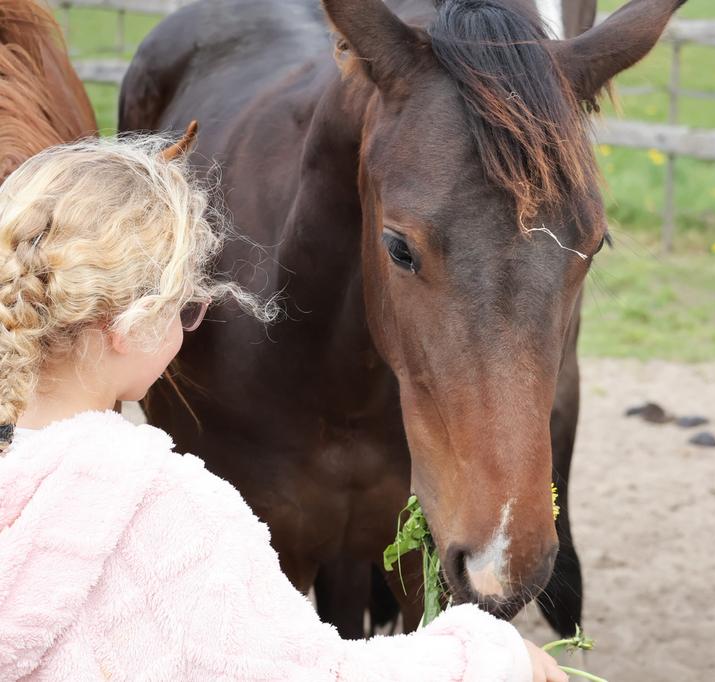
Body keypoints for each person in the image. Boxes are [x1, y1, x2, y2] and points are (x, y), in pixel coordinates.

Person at [0, 133, 567, 682]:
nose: (189, 323)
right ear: (129, 324)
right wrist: (489, 658)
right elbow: (307, 673)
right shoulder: (165, 506)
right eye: (186, 308)